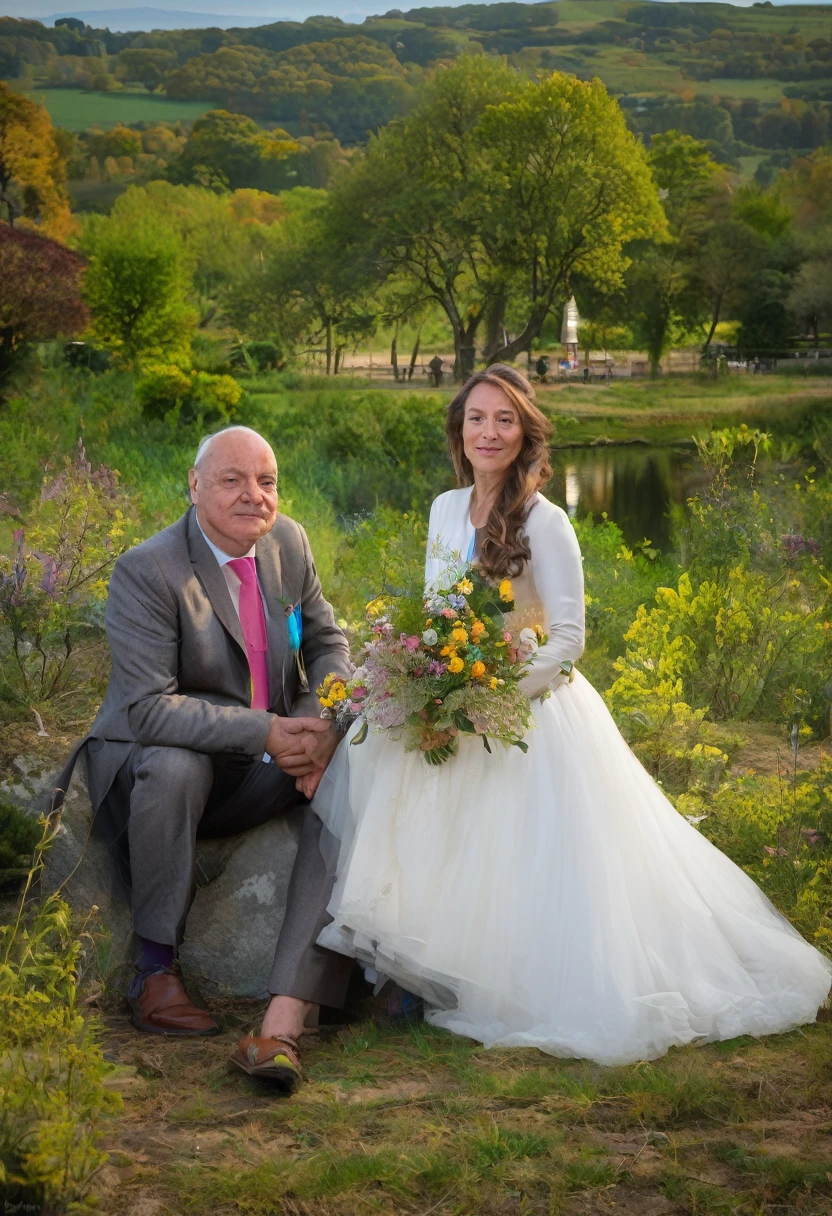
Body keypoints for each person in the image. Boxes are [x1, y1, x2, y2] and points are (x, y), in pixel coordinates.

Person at [310, 365, 832, 1065]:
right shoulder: (442, 508)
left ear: (524, 432)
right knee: (429, 825)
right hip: (449, 703)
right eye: (476, 419)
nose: (488, 432)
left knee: (519, 857)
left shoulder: (544, 521)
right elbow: (438, 611)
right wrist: (421, 678)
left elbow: (567, 639)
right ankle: (428, 976)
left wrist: (487, 700)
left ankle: (508, 982)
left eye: (504, 420)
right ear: (458, 431)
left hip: (525, 713)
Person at [53, 426, 352, 1092]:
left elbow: (329, 643)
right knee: (175, 761)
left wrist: (318, 722)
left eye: (267, 481)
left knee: (352, 768)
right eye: (232, 480)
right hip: (154, 775)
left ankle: (290, 1008)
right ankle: (153, 970)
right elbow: (149, 710)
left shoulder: (288, 544)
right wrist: (269, 732)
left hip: (257, 761)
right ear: (193, 486)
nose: (254, 496)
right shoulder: (148, 569)